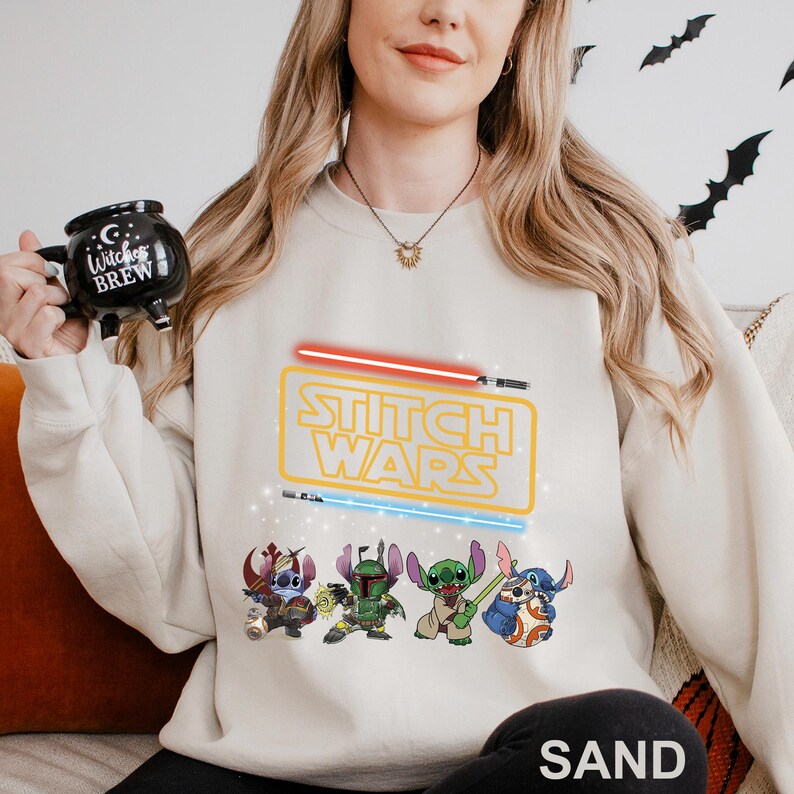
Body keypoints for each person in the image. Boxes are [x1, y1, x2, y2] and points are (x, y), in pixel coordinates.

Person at [1, 0, 791, 791]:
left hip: (528, 768)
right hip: (270, 766)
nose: (444, 12)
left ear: (524, 26)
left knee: (642, 747)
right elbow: (171, 596)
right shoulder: (223, 261)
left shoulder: (617, 263)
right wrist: (68, 377)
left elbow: (749, 560)